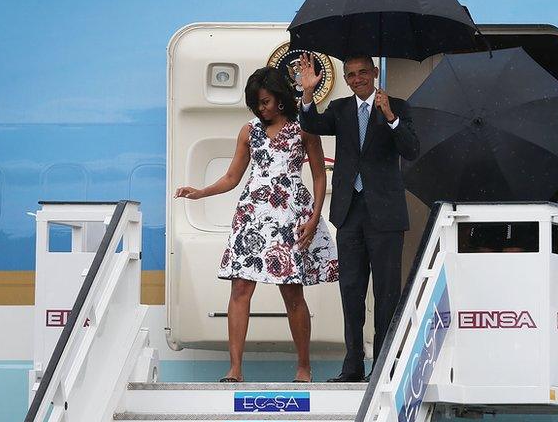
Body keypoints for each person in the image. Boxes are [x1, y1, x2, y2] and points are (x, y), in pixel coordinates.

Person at [174, 66, 337, 383]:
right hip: (252, 215)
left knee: (292, 294)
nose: (261, 108)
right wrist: (201, 192)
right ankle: (235, 368)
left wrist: (315, 216)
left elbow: (319, 175)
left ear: (279, 98)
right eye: (256, 104)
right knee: (240, 288)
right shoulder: (249, 131)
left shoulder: (304, 128)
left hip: (291, 214)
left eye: (265, 101)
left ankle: (304, 366)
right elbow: (232, 177)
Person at [296, 53, 420, 382]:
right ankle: (352, 366)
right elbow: (311, 124)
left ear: (375, 72)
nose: (357, 79)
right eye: (351, 75)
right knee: (351, 290)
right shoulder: (339, 109)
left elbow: (411, 149)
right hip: (350, 213)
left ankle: (382, 366)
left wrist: (391, 117)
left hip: (386, 215)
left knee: (386, 293)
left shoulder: (398, 106)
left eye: (363, 72)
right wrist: (307, 93)